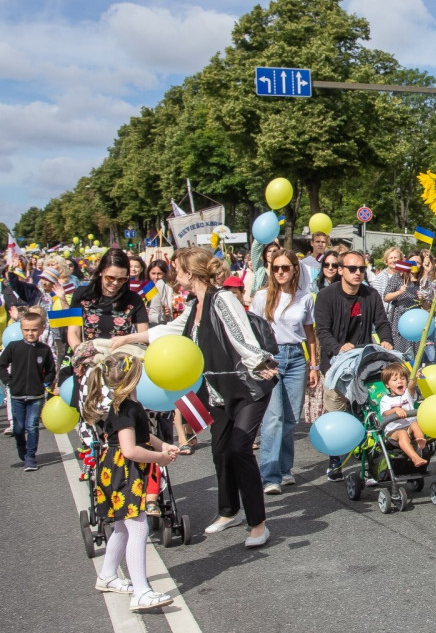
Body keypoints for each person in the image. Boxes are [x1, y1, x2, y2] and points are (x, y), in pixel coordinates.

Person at [112, 248, 278, 548]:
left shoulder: (223, 298)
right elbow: (168, 331)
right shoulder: (193, 306)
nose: (174, 275)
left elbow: (241, 334)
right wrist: (125, 339)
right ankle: (229, 511)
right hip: (218, 392)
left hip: (248, 387)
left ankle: (258, 524)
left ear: (190, 273)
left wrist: (260, 362)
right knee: (220, 450)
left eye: (177, 270)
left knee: (240, 449)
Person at [82, 353, 178, 611]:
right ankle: (141, 591)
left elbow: (143, 436)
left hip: (118, 471)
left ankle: (108, 575)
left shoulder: (128, 404)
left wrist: (163, 445)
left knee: (123, 527)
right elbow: (130, 450)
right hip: (125, 472)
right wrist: (160, 458)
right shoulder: (126, 408)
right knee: (138, 528)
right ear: (134, 378)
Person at [314, 250, 394, 480]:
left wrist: (386, 340)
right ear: (340, 270)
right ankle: (335, 459)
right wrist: (339, 347)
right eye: (352, 268)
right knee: (337, 412)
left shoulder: (370, 294)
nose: (358, 273)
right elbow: (323, 331)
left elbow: (382, 323)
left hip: (362, 363)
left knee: (368, 413)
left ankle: (370, 462)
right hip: (336, 364)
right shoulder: (326, 296)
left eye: (362, 268)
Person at [249, 249, 319, 495]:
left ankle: (284, 468)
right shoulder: (262, 297)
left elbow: (310, 334)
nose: (280, 272)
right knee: (273, 418)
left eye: (285, 267)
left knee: (290, 418)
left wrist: (313, 365)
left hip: (297, 357)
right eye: (276, 267)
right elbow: (252, 331)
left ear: (294, 269)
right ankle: (269, 475)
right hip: (271, 358)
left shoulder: (305, 297)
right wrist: (258, 361)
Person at [0, 309, 55, 471]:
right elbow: (1, 365)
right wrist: (8, 381)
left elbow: (51, 370)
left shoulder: (44, 350)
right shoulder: (14, 347)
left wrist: (45, 383)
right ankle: (22, 449)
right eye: (26, 330)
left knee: (31, 426)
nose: (30, 333)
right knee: (18, 429)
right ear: (21, 329)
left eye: (34, 330)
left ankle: (30, 457)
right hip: (16, 395)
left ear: (41, 329)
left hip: (36, 395)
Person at [65, 248, 150, 352]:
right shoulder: (81, 294)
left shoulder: (134, 300)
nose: (115, 283)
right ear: (101, 272)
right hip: (87, 357)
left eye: (122, 279)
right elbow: (73, 332)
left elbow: (143, 336)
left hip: (120, 358)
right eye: (110, 278)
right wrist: (79, 353)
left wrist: (127, 340)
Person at [378, 361, 427, 468]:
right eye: (395, 380)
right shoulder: (385, 399)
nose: (399, 381)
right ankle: (415, 458)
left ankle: (420, 441)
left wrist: (414, 378)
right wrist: (395, 410)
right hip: (393, 432)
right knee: (402, 433)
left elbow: (411, 386)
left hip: (409, 428)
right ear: (387, 385)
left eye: (403, 378)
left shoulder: (407, 395)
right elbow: (385, 413)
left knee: (415, 424)